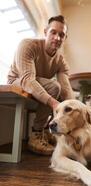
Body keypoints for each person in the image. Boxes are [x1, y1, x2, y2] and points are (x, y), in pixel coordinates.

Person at [7, 15, 74, 155]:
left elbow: (66, 90)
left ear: (65, 38)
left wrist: (75, 111)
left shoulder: (60, 61)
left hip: (39, 86)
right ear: (45, 32)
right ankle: (36, 133)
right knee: (54, 87)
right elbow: (27, 80)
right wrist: (53, 103)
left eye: (61, 35)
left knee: (64, 97)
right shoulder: (28, 45)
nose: (57, 38)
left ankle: (46, 130)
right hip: (17, 81)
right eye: (53, 32)